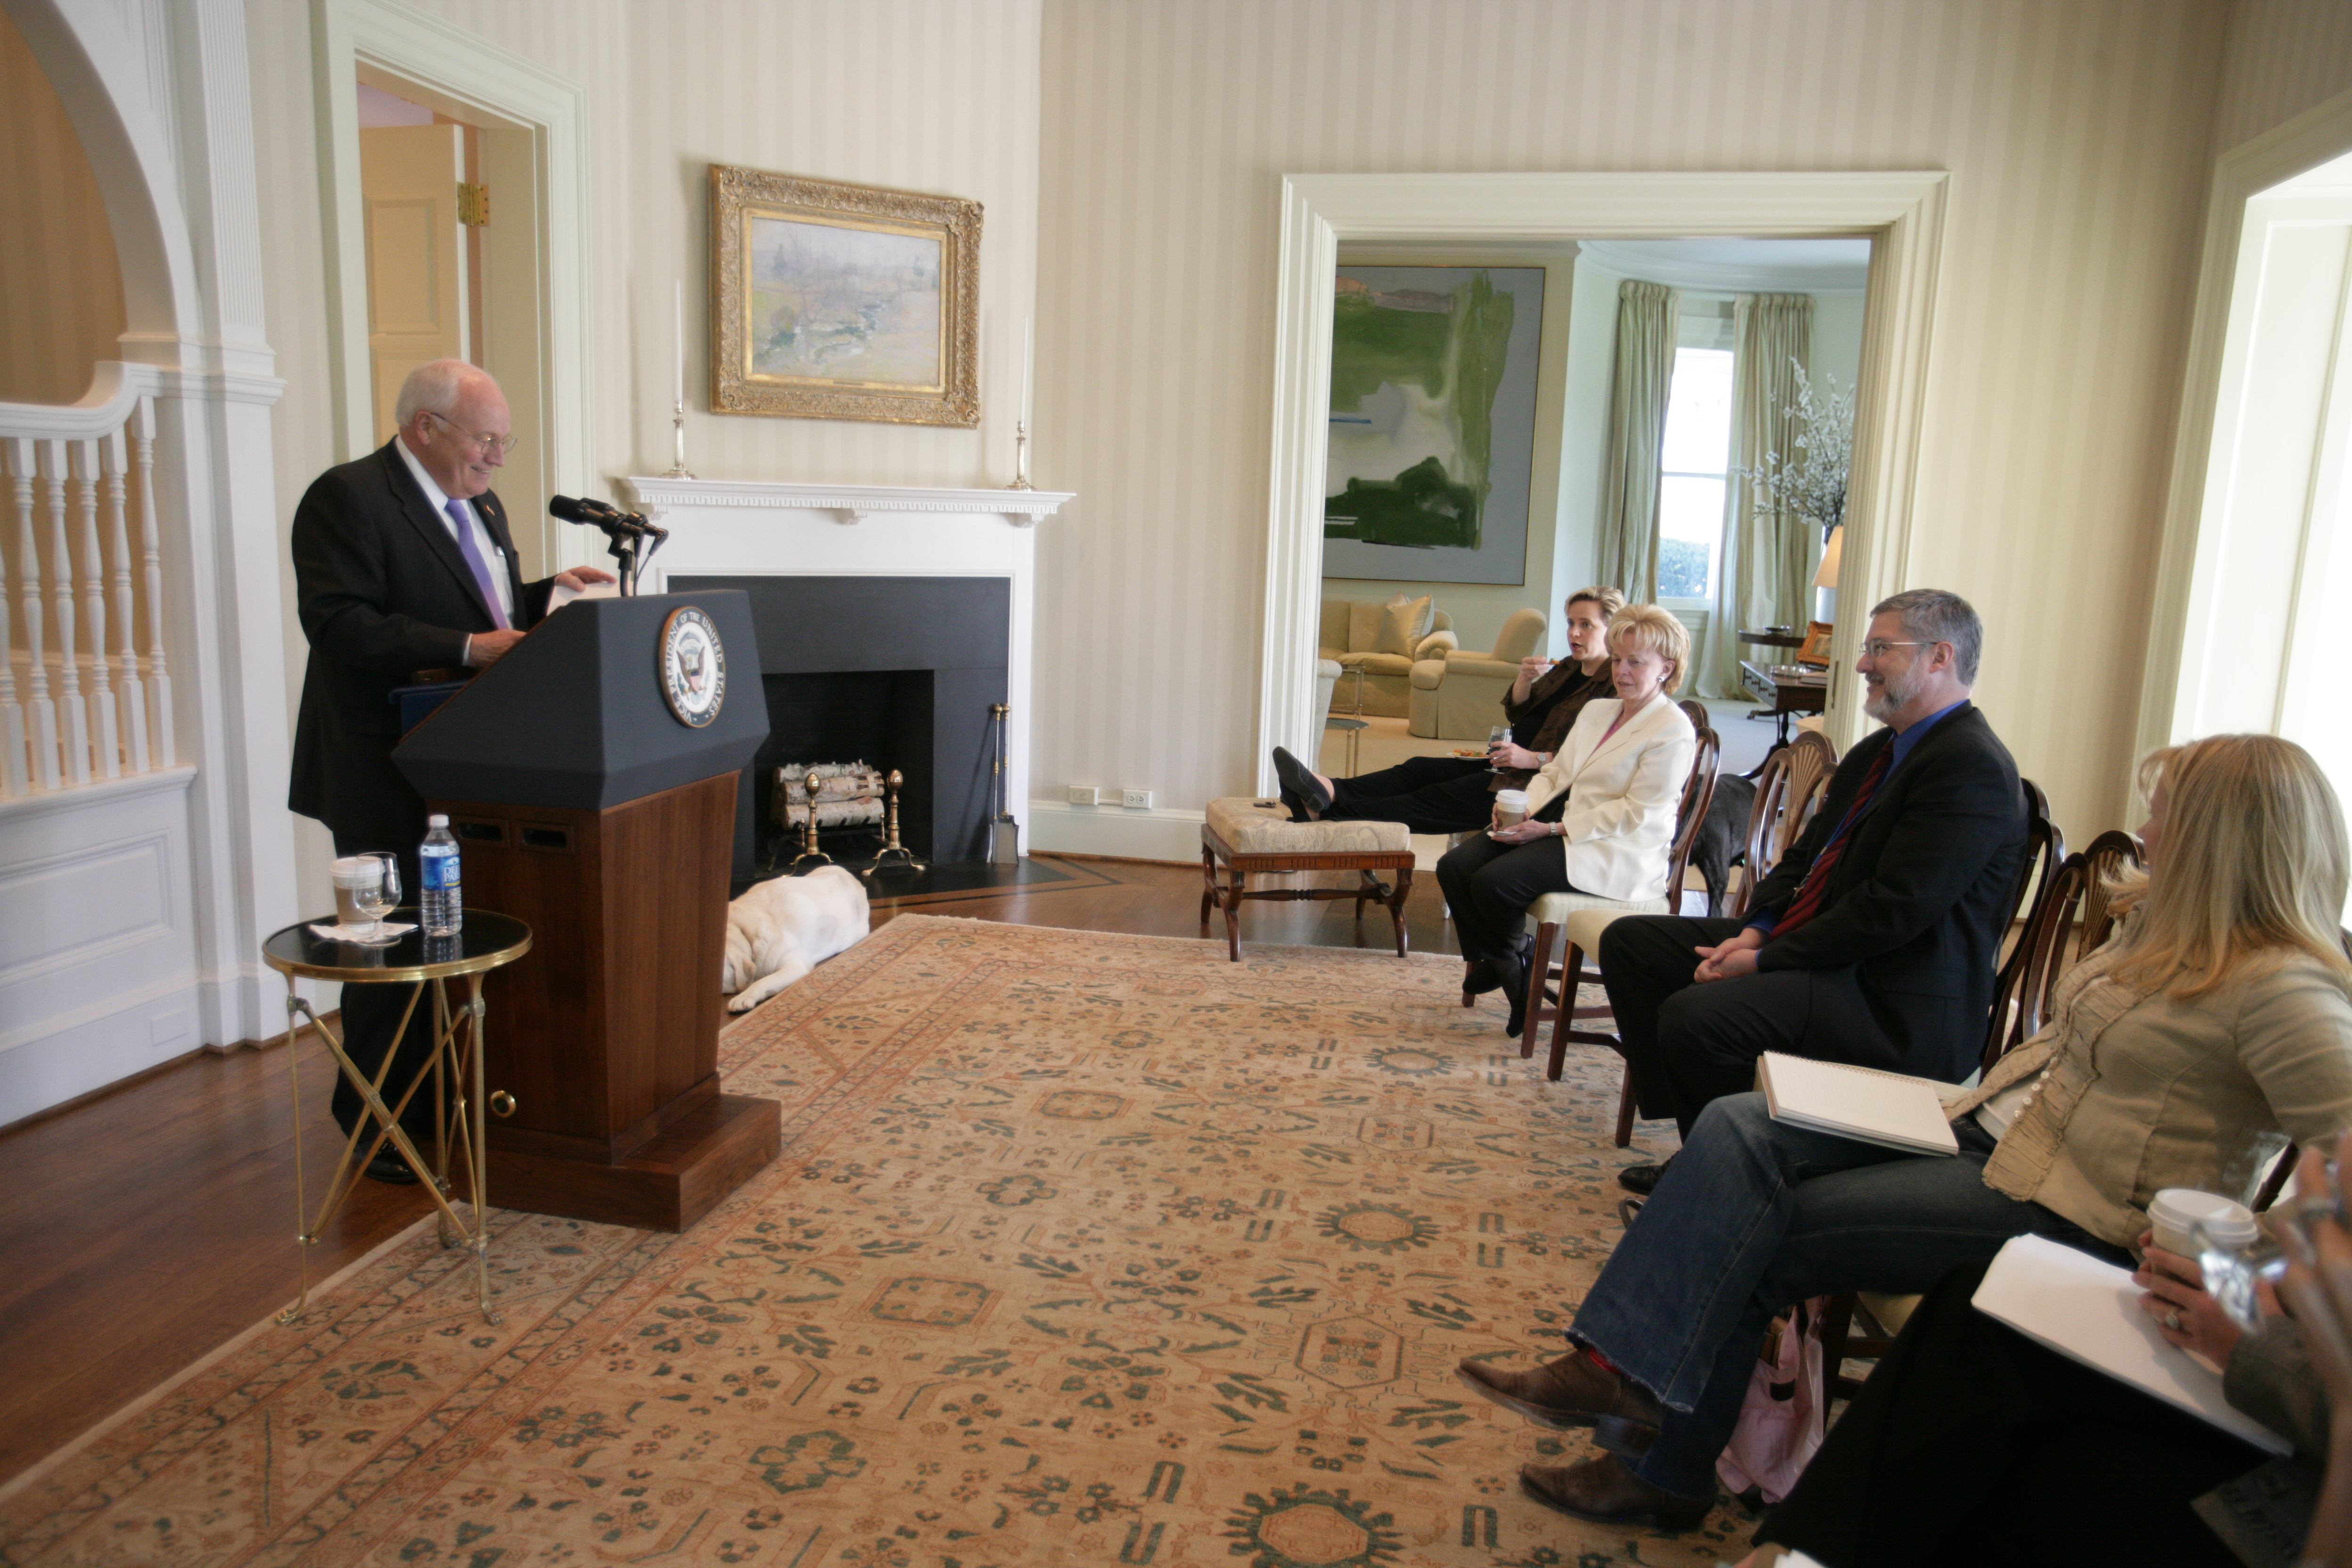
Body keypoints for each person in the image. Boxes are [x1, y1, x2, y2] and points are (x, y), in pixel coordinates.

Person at [1453, 733, 2352, 1529]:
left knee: (1755, 1233)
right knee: (1737, 1121)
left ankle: (1660, 1458)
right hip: (1983, 1128)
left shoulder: (2282, 990)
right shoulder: (2168, 929)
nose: (2147, 834)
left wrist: (2256, 1258)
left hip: (2064, 1205)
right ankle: (1625, 1373)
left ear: (2227, 842)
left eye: (2165, 819)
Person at [288, 359, 614, 1183]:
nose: (499, 458)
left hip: (467, 757)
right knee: (394, 951)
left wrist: (545, 594)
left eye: (503, 441)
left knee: (453, 939)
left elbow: (481, 607)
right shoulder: (348, 497)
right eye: (487, 439)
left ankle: (449, 1103)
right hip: (380, 764)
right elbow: (340, 625)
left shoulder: (482, 502)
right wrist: (473, 648)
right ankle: (376, 1128)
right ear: (426, 427)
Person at [1598, 588, 2026, 1194]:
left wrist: (1763, 961)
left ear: (1940, 657)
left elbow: (1890, 915)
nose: (1861, 665)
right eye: (1867, 647)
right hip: (1834, 955)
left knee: (1695, 1018)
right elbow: (1806, 855)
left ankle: (1722, 1176)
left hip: (1893, 997)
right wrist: (1757, 928)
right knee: (1633, 944)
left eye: (1882, 648)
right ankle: (1710, 1149)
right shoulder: (1882, 749)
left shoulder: (1971, 767)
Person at [1736, 1231, 2320, 1568]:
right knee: (1977, 1306)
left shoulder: (2294, 1016)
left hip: (2306, 1483)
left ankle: (1784, 1550)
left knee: (1997, 1457)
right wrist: (2246, 1269)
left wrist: (2262, 1348)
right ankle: (1792, 1551)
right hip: (2292, 1374)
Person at [1434, 605, 1696, 1037]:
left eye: (1636, 662)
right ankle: (1506, 962)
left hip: (1616, 848)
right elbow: (1555, 773)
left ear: (1666, 669)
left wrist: (1551, 829)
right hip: (1563, 822)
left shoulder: (1672, 730)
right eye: (1616, 660)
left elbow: (1639, 812)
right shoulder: (1599, 711)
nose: (1622, 671)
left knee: (1495, 882)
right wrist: (1522, 807)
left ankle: (1515, 980)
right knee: (1455, 867)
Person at [1269, 587, 1623, 833]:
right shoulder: (1568, 669)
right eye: (1571, 623)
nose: (1574, 633)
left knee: (1432, 799)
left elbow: (1593, 759)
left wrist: (1532, 760)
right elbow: (1517, 715)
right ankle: (1328, 788)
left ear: (1612, 629)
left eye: (1586, 625)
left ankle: (1322, 810)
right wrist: (1524, 682)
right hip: (1504, 762)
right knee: (1418, 768)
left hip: (1533, 785)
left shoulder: (1613, 688)